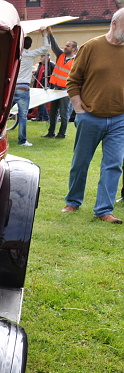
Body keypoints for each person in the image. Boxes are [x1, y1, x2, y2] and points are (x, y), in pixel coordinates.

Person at [61, 8, 124, 223]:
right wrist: (79, 110)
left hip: (119, 119)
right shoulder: (91, 47)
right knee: (81, 162)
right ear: (114, 23)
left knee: (113, 164)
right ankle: (73, 201)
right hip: (90, 116)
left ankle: (104, 210)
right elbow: (73, 81)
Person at [13, 28, 51, 146]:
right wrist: (44, 34)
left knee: (3, 114)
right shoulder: (30, 54)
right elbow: (46, 47)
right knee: (23, 116)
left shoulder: (15, 54)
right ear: (30, 46)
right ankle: (22, 140)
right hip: (23, 88)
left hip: (12, 87)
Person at [44, 38, 77, 139]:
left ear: (74, 49)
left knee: (64, 113)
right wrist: (49, 34)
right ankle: (51, 132)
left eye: (68, 46)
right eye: (66, 45)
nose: (65, 47)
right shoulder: (60, 55)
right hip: (56, 88)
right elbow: (54, 45)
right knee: (53, 112)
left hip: (66, 91)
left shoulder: (76, 61)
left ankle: (62, 134)